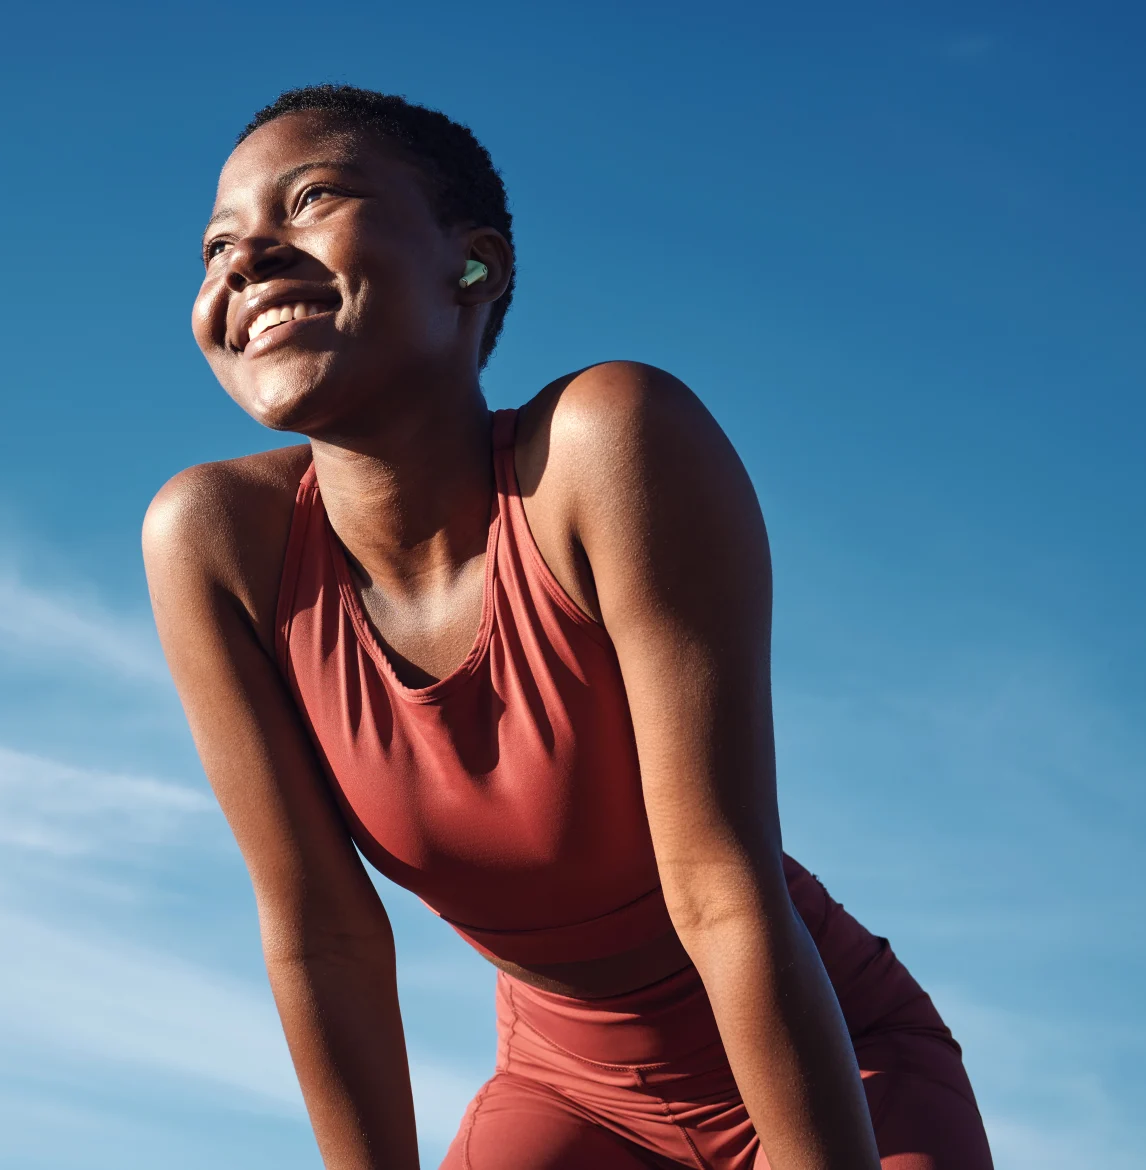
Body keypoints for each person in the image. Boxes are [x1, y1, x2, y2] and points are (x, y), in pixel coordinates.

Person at [143, 84, 994, 1170]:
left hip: (831, 1066)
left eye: (310, 199)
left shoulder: (606, 447)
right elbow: (323, 936)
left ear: (475, 267)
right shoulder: (213, 541)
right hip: (567, 1094)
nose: (244, 259)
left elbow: (720, 890)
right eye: (217, 244)